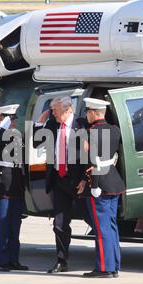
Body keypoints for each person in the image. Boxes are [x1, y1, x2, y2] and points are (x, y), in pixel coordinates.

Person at [34, 96, 89, 273]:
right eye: (52, 110)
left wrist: (85, 179)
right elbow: (36, 142)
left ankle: (107, 260)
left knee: (93, 219)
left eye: (55, 110)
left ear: (68, 109)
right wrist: (39, 122)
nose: (53, 114)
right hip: (59, 180)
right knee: (59, 223)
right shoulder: (52, 124)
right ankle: (61, 260)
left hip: (78, 181)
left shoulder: (81, 125)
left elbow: (91, 153)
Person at [77, 98, 125, 278]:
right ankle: (114, 266)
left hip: (100, 185)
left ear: (94, 113)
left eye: (88, 111)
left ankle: (104, 268)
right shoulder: (115, 130)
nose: (86, 115)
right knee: (111, 227)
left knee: (101, 229)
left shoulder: (89, 133)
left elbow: (94, 162)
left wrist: (93, 185)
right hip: (114, 181)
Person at [0, 104, 28, 272]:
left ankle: (14, 260)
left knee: (14, 226)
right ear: (1, 119)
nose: (13, 122)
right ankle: (2, 261)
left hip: (15, 186)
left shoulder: (17, 137)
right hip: (0, 185)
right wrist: (1, 129)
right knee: (2, 225)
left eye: (14, 119)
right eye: (10, 119)